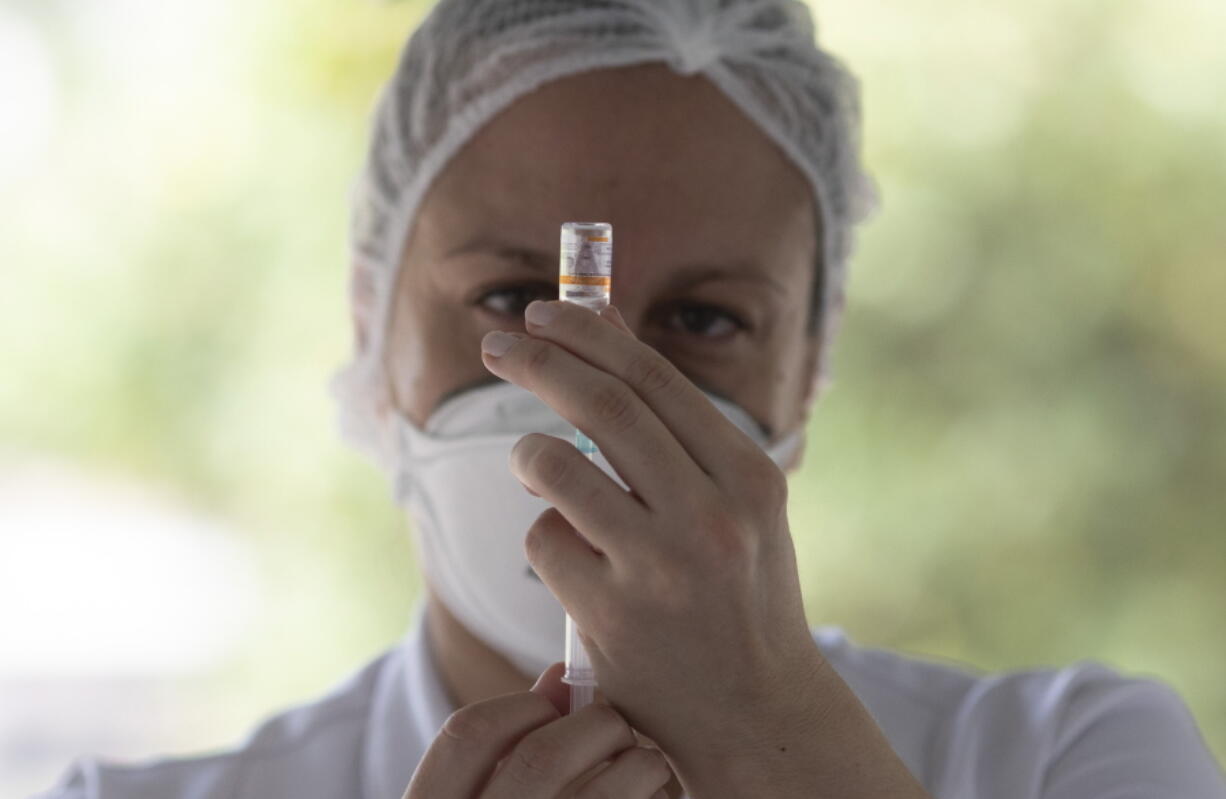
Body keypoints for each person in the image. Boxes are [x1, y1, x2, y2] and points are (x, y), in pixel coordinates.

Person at [35, 1, 1226, 797]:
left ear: (806, 368)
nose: (593, 388)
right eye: (513, 295)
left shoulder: (1069, 760)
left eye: (704, 321)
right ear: (369, 318)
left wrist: (776, 742)